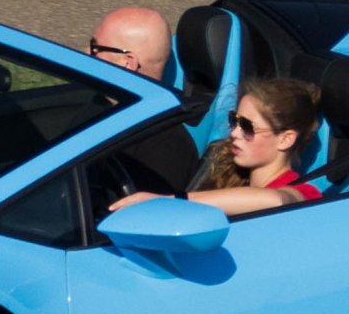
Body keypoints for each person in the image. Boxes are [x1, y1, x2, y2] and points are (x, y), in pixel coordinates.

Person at [110, 77, 322, 220]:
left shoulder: (303, 193)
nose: (234, 133)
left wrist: (167, 202)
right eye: (234, 120)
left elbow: (276, 200)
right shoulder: (230, 176)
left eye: (247, 127)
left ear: (285, 140)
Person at [87, 6, 199, 194]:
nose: (87, 53)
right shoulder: (100, 104)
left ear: (127, 63)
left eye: (95, 47)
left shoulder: (167, 147)